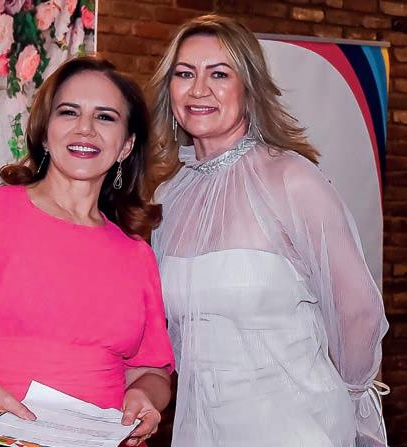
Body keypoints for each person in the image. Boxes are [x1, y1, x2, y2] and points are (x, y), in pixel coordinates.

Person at [148, 14, 388, 447]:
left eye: (219, 74)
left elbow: (358, 311)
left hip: (298, 426)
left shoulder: (292, 180)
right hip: (201, 429)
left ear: (249, 87)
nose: (199, 89)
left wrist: (351, 397)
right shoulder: (169, 197)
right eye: (184, 74)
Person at [0, 56, 174, 447]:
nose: (85, 128)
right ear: (46, 133)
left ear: (126, 145)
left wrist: (143, 397)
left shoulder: (136, 254)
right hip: (0, 438)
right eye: (69, 112)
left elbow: (152, 369)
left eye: (105, 117)